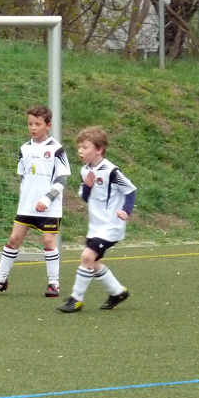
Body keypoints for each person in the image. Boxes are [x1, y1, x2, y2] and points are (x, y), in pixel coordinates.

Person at [0, 105, 72, 298]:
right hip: (27, 206)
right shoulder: (24, 149)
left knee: (48, 241)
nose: (33, 128)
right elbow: (23, 177)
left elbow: (62, 179)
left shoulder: (57, 149)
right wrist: (26, 198)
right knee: (14, 239)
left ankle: (54, 283)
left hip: (49, 208)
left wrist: (47, 199)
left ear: (48, 126)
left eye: (38, 124)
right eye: (30, 124)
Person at [58, 126, 136, 313]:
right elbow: (86, 197)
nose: (80, 151)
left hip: (111, 225)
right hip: (96, 226)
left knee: (86, 257)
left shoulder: (111, 171)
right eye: (79, 147)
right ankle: (118, 292)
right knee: (91, 263)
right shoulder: (85, 170)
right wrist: (87, 186)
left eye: (85, 147)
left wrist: (126, 211)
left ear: (99, 149)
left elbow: (130, 190)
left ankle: (76, 299)